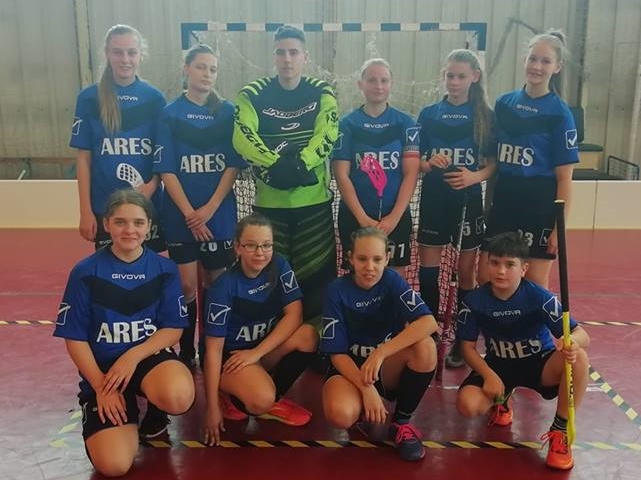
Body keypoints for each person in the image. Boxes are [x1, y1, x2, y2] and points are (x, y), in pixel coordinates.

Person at [53, 190, 195, 477]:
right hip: (104, 372)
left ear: (149, 226)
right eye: (120, 222)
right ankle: (117, 404)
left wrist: (131, 357)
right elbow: (75, 338)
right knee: (114, 466)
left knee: (178, 396)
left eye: (138, 222)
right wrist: (101, 388)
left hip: (146, 358)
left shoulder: (165, 269)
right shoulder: (86, 271)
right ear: (107, 224)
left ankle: (153, 405)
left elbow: (173, 329)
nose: (130, 230)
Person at [232, 24, 339, 326]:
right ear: (274, 56)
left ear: (305, 57)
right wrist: (275, 163)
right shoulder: (252, 94)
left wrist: (302, 163)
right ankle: (271, 341)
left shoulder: (322, 92)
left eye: (294, 52)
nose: (287, 59)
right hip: (269, 209)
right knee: (270, 280)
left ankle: (316, 343)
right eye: (281, 52)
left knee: (317, 281)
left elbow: (328, 132)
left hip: (314, 206)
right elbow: (242, 136)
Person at [455, 232, 589, 470]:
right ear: (486, 265)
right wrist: (489, 375)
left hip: (540, 364)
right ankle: (502, 400)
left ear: (524, 268)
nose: (501, 271)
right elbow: (467, 348)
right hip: (499, 365)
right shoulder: (474, 301)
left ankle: (560, 431)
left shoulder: (539, 297)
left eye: (510, 265)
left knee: (578, 358)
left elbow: (581, 334)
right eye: (495, 263)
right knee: (468, 404)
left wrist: (572, 342)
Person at [154, 43, 245, 368]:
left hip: (218, 215)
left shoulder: (228, 112)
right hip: (180, 216)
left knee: (216, 286)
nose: (207, 74)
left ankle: (211, 348)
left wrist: (209, 208)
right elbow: (167, 169)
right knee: (187, 286)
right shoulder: (170, 113)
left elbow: (233, 165)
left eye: (212, 69)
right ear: (186, 69)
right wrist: (190, 214)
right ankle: (185, 349)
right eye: (200, 67)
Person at [320, 227, 439, 462]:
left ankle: (401, 423)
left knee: (425, 347)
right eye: (362, 259)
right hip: (349, 370)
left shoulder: (392, 280)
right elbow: (336, 354)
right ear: (350, 258)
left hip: (383, 366)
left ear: (386, 258)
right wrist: (366, 389)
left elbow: (429, 322)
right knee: (340, 414)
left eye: (377, 259)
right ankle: (361, 409)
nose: (370, 267)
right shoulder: (336, 290)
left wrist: (381, 352)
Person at [203, 213, 319, 446]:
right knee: (260, 399)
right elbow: (212, 351)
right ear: (237, 247)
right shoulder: (223, 288)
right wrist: (211, 407)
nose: (260, 253)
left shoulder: (279, 265)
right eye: (251, 245)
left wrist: (256, 353)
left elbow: (294, 316)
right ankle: (228, 394)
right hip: (232, 359)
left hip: (259, 351)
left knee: (308, 336)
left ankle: (273, 398)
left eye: (266, 245)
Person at [479, 29, 579, 288]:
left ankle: (536, 319)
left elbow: (565, 178)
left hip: (539, 206)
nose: (537, 66)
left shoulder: (560, 114)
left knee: (534, 283)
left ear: (557, 67)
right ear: (524, 60)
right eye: (533, 59)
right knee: (487, 277)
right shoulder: (503, 104)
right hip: (504, 200)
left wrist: (558, 228)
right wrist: (487, 204)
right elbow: (494, 162)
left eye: (545, 61)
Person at [416, 49, 496, 368]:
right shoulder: (429, 114)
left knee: (465, 273)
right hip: (434, 199)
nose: (454, 81)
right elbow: (416, 161)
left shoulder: (485, 117)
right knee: (428, 271)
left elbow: (493, 164)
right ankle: (429, 332)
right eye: (450, 75)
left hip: (468, 201)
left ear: (474, 77)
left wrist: (474, 176)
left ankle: (464, 340)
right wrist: (428, 163)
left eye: (461, 76)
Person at [71, 24, 166, 252]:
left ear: (140, 55)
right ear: (107, 54)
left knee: (146, 268)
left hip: (146, 206)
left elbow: (163, 155)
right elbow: (83, 159)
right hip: (105, 206)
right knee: (110, 270)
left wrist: (152, 185)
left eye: (131, 52)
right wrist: (85, 211)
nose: (125, 59)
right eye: (117, 52)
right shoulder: (88, 99)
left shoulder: (155, 99)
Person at [333, 58, 420, 278]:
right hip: (355, 216)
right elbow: (341, 175)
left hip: (395, 217)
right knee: (357, 277)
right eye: (372, 80)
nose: (378, 86)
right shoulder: (346, 125)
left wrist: (394, 217)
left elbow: (411, 173)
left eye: (384, 80)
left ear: (392, 84)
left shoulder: (406, 123)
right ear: (360, 84)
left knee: (395, 279)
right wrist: (362, 218)